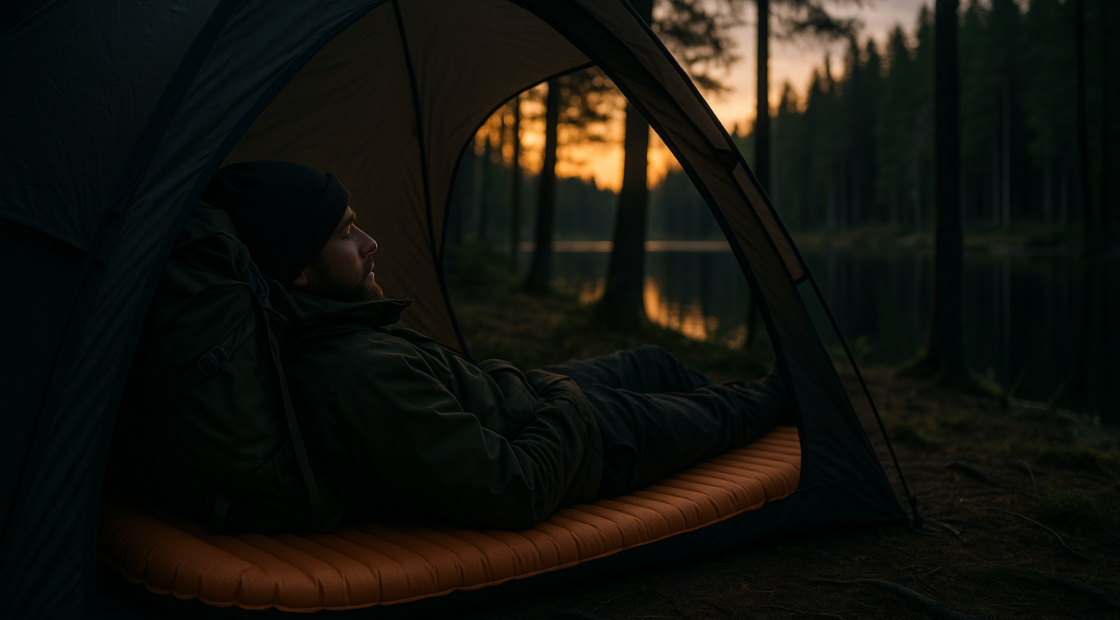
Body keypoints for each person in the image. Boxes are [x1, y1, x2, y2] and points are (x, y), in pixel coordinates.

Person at [201, 160, 791, 531]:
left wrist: (541, 390)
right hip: (585, 446)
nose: (370, 241)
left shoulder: (328, 334)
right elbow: (517, 488)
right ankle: (790, 399)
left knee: (653, 361)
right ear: (299, 270)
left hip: (527, 404)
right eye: (345, 232)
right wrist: (565, 398)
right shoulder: (354, 374)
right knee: (732, 411)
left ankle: (725, 403)